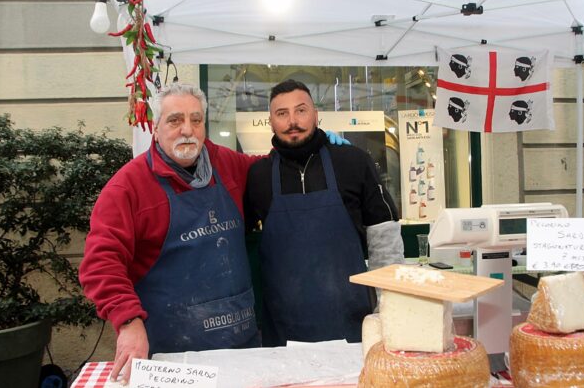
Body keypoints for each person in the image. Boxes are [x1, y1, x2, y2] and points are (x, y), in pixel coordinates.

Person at [80, 83, 260, 383]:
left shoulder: (228, 165)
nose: (187, 130)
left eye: (196, 120)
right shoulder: (127, 188)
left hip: (241, 343)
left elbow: (272, 168)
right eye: (175, 120)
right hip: (173, 355)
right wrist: (127, 321)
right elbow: (101, 263)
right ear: (155, 126)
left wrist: (323, 150)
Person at [244, 79, 404, 347]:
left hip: (354, 325)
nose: (292, 120)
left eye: (301, 110)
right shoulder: (258, 177)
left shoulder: (353, 161)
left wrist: (388, 306)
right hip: (283, 330)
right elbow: (244, 247)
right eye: (282, 114)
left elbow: (384, 238)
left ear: (316, 115)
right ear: (270, 122)